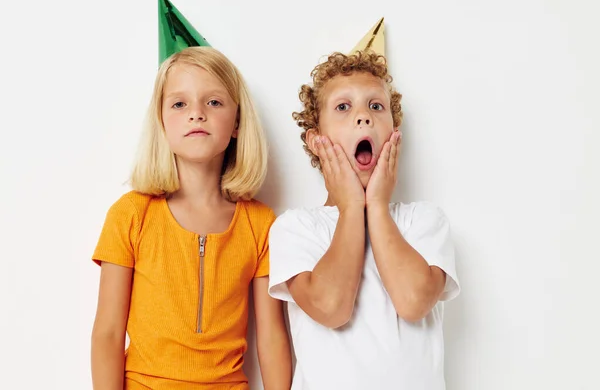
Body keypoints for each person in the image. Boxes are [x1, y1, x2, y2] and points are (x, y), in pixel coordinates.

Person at [268, 19, 460, 390]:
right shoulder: (296, 229)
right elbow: (331, 307)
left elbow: (413, 301)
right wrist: (352, 207)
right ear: (315, 139)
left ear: (394, 132)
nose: (363, 115)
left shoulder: (423, 221)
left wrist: (378, 207)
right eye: (343, 107)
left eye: (376, 106)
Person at [90, 45, 292, 389]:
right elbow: (108, 333)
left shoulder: (260, 224)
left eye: (213, 102)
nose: (196, 113)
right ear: (162, 121)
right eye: (179, 103)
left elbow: (272, 340)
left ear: (237, 122)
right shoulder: (130, 214)